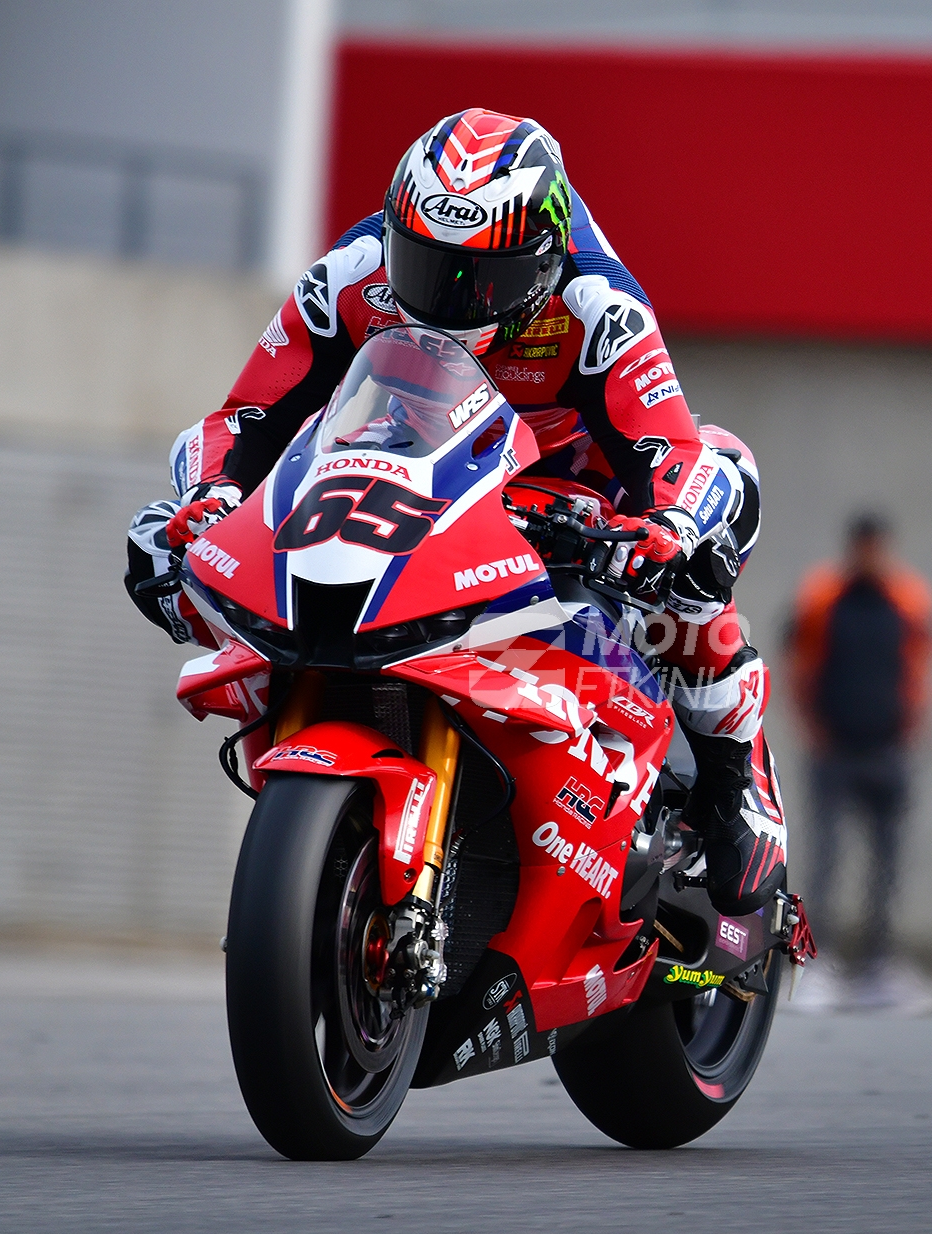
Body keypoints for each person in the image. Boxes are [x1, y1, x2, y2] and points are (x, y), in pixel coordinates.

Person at [124, 108, 783, 918]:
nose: (449, 297)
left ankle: (734, 780)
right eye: (427, 266)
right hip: (418, 468)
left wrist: (667, 531)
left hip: (574, 484)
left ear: (542, 261)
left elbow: (669, 448)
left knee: (707, 533)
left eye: (483, 278)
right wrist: (209, 500)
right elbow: (247, 418)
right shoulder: (350, 275)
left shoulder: (598, 304)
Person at [785, 512, 932, 1001]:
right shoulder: (822, 596)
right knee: (826, 861)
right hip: (834, 750)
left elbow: (919, 663)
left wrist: (912, 725)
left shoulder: (909, 598)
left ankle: (879, 963)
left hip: (888, 749)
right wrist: (812, 728)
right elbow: (799, 661)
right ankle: (819, 963)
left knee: (887, 865)